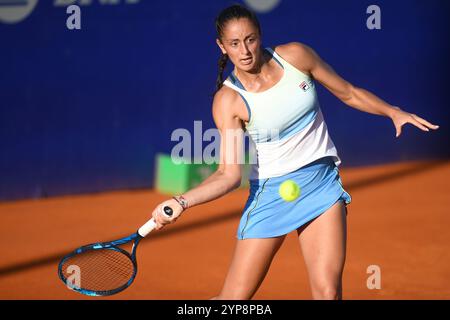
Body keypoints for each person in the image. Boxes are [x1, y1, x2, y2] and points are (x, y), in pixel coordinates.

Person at [149, 4, 439, 300]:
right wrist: (182, 201)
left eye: (250, 39)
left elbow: (348, 92)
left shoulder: (297, 57)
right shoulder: (228, 101)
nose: (245, 50)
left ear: (260, 36)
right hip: (270, 197)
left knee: (327, 293)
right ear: (222, 47)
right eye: (234, 44)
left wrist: (392, 111)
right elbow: (228, 174)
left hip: (320, 185)